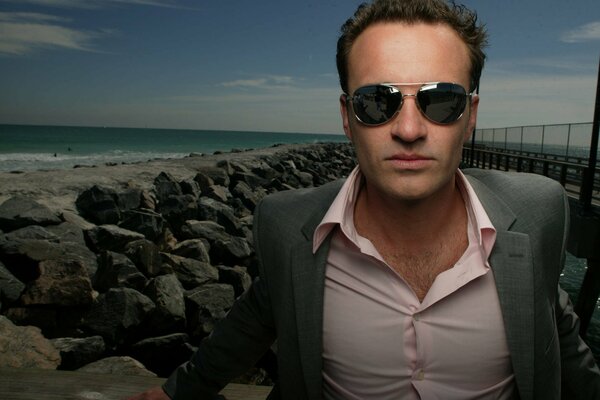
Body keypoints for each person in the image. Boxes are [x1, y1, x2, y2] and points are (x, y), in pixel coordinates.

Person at [128, 1, 600, 399]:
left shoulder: (540, 211)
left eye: (441, 101)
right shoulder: (285, 224)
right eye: (377, 102)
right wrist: (178, 392)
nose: (409, 130)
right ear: (346, 116)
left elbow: (554, 322)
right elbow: (257, 316)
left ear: (470, 116)